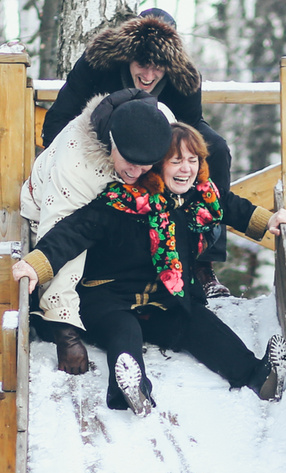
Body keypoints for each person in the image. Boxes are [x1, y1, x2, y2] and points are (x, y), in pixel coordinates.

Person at [13, 122, 286, 417]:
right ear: (158, 165)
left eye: (192, 160)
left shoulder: (201, 197)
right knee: (125, 331)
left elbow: (233, 207)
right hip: (109, 300)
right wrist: (35, 265)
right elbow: (70, 234)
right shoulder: (120, 202)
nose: (186, 169)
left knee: (199, 323)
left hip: (163, 302)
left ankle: (259, 377)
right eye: (176, 161)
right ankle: (131, 389)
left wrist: (268, 220)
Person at [42, 8, 234, 298]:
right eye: (142, 65)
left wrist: (179, 162)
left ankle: (202, 261)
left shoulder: (184, 77)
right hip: (95, 142)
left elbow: (191, 128)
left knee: (215, 149)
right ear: (127, 55)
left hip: (159, 142)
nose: (148, 75)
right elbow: (60, 116)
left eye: (158, 67)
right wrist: (66, 158)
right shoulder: (99, 63)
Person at [21, 88, 174, 376]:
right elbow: (62, 236)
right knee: (75, 242)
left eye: (146, 165)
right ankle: (53, 317)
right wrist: (65, 333)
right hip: (55, 213)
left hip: (111, 212)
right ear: (112, 143)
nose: (138, 171)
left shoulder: (161, 121)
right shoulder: (75, 164)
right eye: (130, 161)